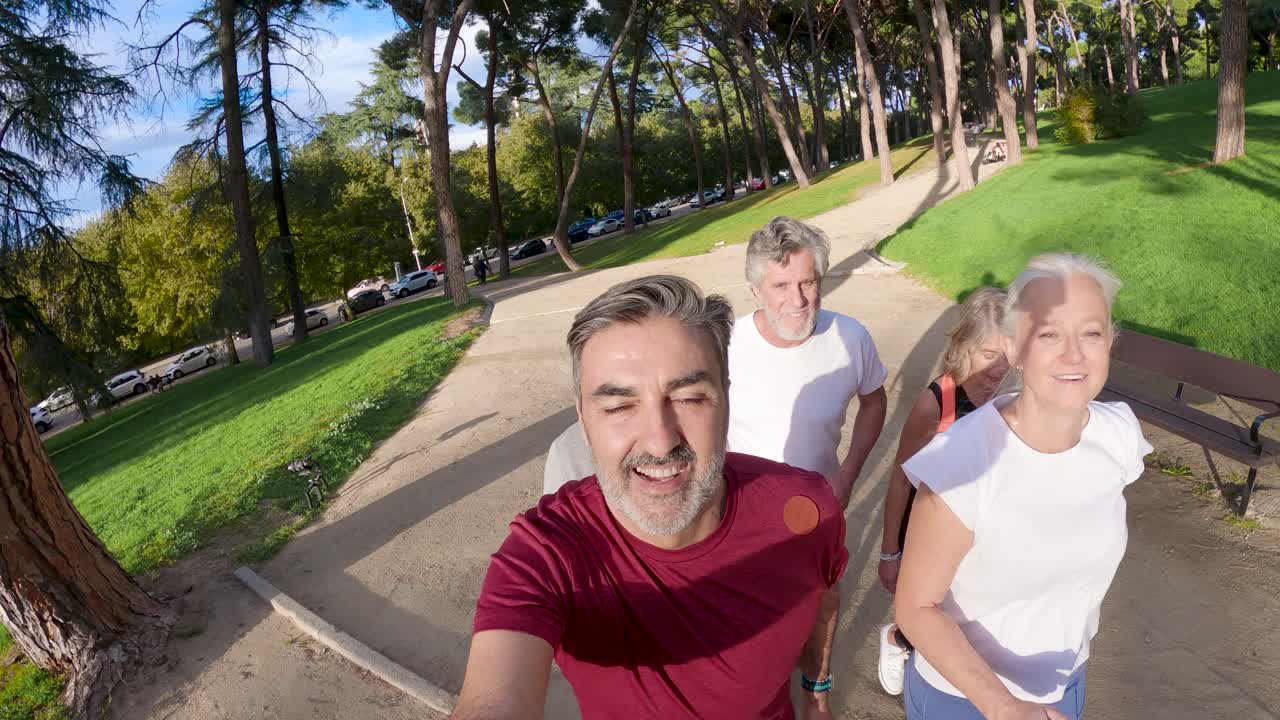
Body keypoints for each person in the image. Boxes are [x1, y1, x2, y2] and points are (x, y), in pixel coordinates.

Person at [453, 275, 848, 720]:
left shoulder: (806, 509)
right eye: (620, 407)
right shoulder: (545, 555)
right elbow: (493, 701)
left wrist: (817, 693)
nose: (660, 442)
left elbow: (824, 601)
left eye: (689, 397)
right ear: (583, 421)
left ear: (726, 401)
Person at [895, 253, 1152, 720]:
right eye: (1049, 334)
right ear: (1014, 347)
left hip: (1066, 685)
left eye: (1091, 333)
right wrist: (1004, 707)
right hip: (965, 700)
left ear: (1110, 342)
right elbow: (915, 607)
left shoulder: (1120, 437)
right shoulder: (963, 464)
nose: (1074, 355)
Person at [874, 288, 1010, 697]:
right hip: (930, 527)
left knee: (972, 614)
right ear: (963, 345)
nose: (998, 367)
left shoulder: (1009, 397)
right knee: (930, 613)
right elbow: (900, 480)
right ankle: (898, 640)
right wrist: (889, 553)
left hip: (979, 523)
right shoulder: (936, 405)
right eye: (988, 354)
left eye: (1007, 355)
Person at [727, 216, 888, 508]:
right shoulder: (726, 346)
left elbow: (874, 402)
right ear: (755, 290)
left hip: (819, 507)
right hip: (743, 512)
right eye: (781, 286)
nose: (798, 300)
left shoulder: (850, 338)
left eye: (807, 283)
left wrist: (848, 474)